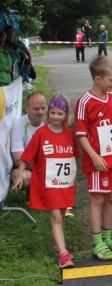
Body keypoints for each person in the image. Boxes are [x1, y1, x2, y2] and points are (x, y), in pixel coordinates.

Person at [12, 94, 79, 269]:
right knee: (56, 216)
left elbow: (72, 159)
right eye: (53, 113)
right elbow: (26, 157)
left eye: (60, 114)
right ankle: (64, 255)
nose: (56, 117)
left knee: (62, 215)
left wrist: (75, 181)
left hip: (65, 184)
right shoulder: (41, 133)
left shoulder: (69, 134)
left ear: (66, 115)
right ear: (49, 113)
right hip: (49, 184)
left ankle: (57, 244)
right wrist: (19, 175)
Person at [75, 56, 112, 261]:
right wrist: (94, 156)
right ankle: (97, 243)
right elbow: (81, 134)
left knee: (110, 197)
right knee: (98, 198)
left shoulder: (110, 97)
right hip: (98, 159)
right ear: (98, 79)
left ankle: (107, 237)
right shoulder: (85, 101)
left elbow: (110, 120)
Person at [10, 92, 47, 189]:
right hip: (25, 168)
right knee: (24, 177)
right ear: (27, 108)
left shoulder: (51, 122)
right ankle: (30, 194)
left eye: (43, 108)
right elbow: (18, 160)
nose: (41, 112)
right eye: (36, 109)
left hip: (45, 166)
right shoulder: (19, 124)